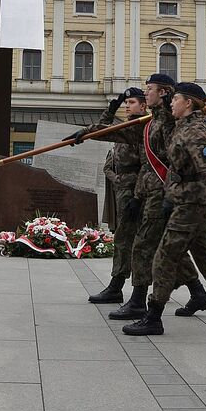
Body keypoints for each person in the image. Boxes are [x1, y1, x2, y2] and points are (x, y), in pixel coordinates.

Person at [122, 82, 206, 337]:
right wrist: (168, 199)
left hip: (192, 206)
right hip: (185, 202)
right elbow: (177, 169)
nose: (172, 102)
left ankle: (153, 318)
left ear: (188, 103)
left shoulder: (195, 132)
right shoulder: (182, 128)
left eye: (176, 99)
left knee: (163, 258)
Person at [67, 75, 206, 320]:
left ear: (162, 93)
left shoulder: (166, 121)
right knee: (156, 247)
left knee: (145, 247)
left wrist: (164, 197)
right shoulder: (150, 122)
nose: (146, 93)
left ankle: (139, 302)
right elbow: (118, 133)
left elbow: (172, 161)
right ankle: (196, 293)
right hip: (146, 191)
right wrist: (86, 133)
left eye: (149, 90)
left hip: (160, 192)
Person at [80, 88, 147, 304]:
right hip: (124, 190)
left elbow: (147, 166)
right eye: (126, 102)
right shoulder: (129, 125)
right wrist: (110, 109)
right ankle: (196, 291)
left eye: (132, 102)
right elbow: (105, 131)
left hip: (136, 192)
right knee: (127, 239)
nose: (128, 106)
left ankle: (118, 287)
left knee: (129, 241)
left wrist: (137, 195)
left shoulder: (141, 127)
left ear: (144, 106)